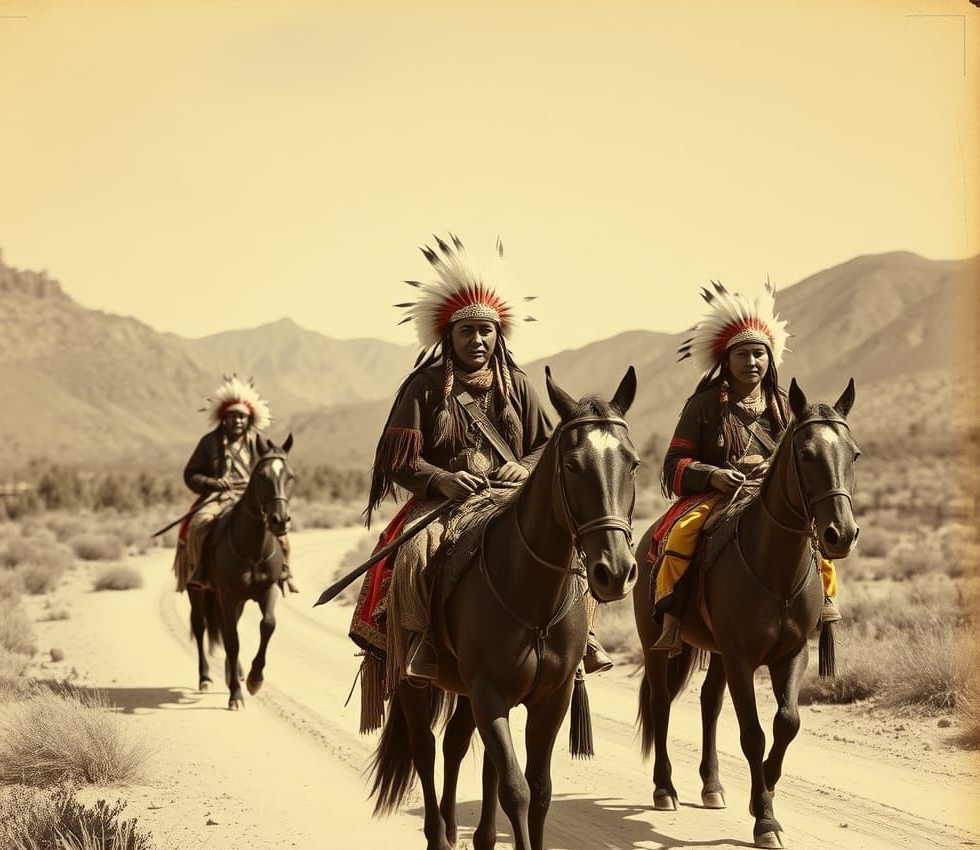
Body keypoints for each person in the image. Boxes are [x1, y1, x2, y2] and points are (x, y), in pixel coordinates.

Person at [349, 235, 611, 728]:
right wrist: (442, 480)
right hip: (447, 503)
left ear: (499, 334)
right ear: (448, 335)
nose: (478, 341)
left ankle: (582, 640)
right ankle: (423, 643)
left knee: (573, 546)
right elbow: (397, 459)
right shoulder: (423, 388)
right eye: (467, 331)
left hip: (510, 498)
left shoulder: (519, 385)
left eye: (486, 331)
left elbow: (548, 446)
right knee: (413, 554)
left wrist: (526, 467)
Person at [652, 280, 839, 656]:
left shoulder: (785, 407)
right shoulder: (703, 406)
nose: (751, 362)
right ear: (727, 359)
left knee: (815, 538)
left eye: (759, 354)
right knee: (680, 535)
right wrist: (713, 475)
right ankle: (672, 616)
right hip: (716, 497)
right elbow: (674, 465)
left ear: (770, 359)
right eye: (743, 354)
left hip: (771, 499)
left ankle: (825, 604)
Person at [173, 375, 298, 594]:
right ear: (224, 419)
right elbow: (190, 474)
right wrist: (212, 482)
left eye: (242, 417)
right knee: (200, 524)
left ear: (248, 419)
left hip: (251, 498)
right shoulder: (209, 442)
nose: (238, 421)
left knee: (282, 532)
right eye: (233, 417)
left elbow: (270, 471)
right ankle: (200, 569)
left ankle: (284, 570)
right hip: (218, 497)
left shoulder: (257, 442)